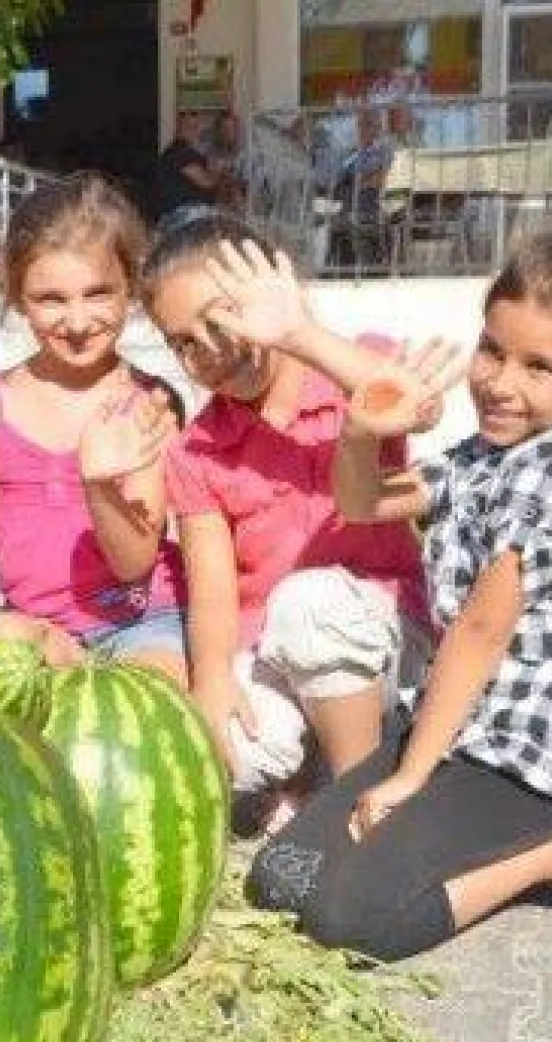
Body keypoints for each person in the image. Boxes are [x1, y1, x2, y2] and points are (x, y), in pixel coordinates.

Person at [246, 225, 552, 959]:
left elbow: (478, 635)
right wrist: (358, 432)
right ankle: (470, 828)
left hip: (533, 751)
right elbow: (363, 504)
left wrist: (408, 779)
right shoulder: (489, 455)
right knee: (280, 878)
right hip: (460, 727)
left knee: (349, 923)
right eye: (492, 350)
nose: (500, 383)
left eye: (539, 367)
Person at [144, 213, 432, 834]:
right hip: (275, 648)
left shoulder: (355, 365)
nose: (210, 349)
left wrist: (298, 332)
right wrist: (213, 682)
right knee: (232, 755)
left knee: (310, 602)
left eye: (222, 319)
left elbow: (414, 401)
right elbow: (214, 594)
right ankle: (310, 771)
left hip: (381, 638)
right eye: (184, 342)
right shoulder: (196, 452)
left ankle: (361, 804)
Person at [0, 172, 189, 685]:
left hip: (140, 625)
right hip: (34, 627)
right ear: (17, 296)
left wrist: (99, 486)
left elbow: (133, 563)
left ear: (130, 287)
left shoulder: (148, 403)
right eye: (51, 299)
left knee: (157, 693)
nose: (78, 320)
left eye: (98, 293)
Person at [328, 107, 394, 270]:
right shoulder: (350, 154)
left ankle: (365, 271)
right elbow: (336, 179)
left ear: (378, 128)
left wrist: (358, 181)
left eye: (369, 124)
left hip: (372, 206)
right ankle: (336, 270)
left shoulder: (384, 151)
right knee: (331, 226)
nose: (363, 129)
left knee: (355, 224)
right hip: (347, 206)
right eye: (361, 125)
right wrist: (359, 180)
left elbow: (380, 179)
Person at [155, 111, 224, 224]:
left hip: (187, 214)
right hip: (184, 215)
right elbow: (206, 182)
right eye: (194, 127)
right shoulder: (180, 152)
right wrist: (217, 169)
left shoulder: (186, 152)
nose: (198, 131)